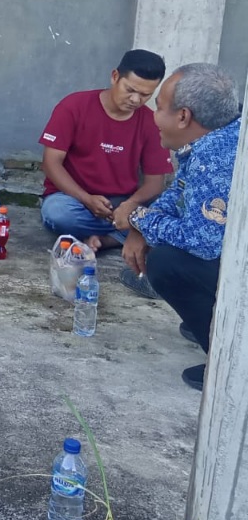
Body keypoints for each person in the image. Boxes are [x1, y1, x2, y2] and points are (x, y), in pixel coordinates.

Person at [120, 64, 240, 391]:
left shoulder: (216, 156)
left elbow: (199, 241)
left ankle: (231, 365)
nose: (152, 115)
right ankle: (216, 320)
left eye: (158, 107)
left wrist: (137, 218)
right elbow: (181, 189)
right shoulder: (221, 135)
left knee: (167, 263)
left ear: (184, 117)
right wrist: (141, 220)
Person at [39, 50, 170, 251]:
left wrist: (130, 205)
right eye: (130, 90)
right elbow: (50, 162)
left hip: (121, 202)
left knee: (167, 214)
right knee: (57, 213)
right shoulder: (74, 106)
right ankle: (121, 235)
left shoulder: (151, 123)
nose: (135, 100)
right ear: (115, 76)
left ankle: (102, 240)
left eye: (146, 95)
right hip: (73, 199)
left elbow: (155, 183)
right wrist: (86, 199)